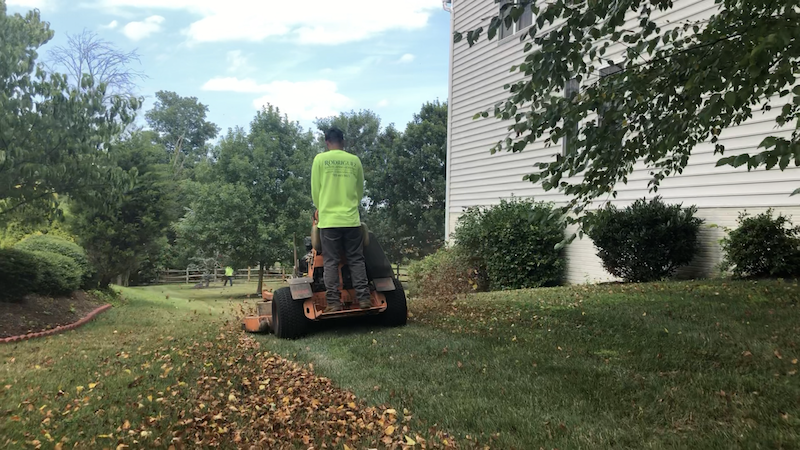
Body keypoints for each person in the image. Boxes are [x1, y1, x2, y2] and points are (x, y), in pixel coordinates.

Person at [311, 127, 371, 313]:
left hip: (329, 221)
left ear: (327, 142)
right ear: (343, 142)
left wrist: (320, 207)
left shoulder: (320, 159)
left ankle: (334, 303)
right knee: (356, 259)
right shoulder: (354, 161)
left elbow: (316, 189)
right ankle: (364, 299)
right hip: (351, 219)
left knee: (330, 261)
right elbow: (359, 189)